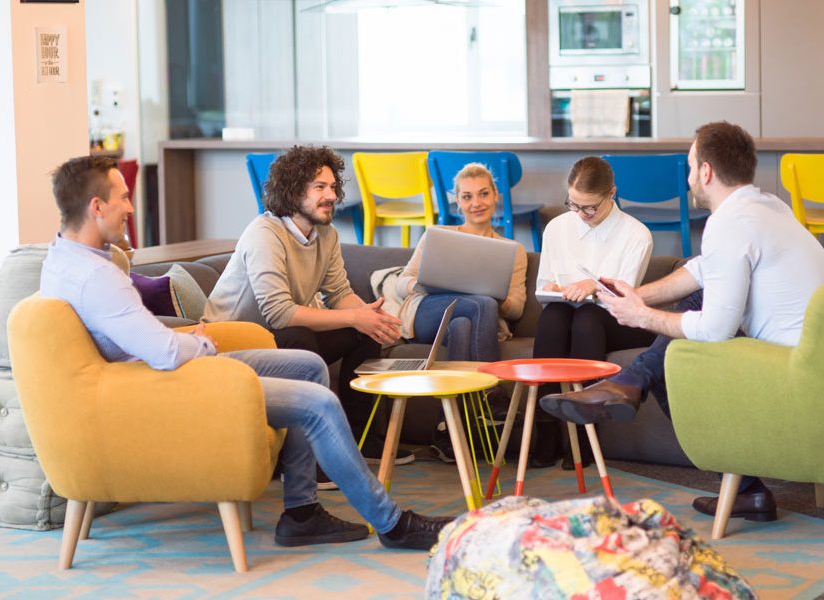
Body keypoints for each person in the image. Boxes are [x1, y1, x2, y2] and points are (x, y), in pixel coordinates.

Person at [39, 155, 450, 550]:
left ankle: (302, 513)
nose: (131, 208)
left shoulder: (72, 260)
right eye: (124, 198)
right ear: (96, 207)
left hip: (168, 368)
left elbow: (139, 337)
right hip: (164, 381)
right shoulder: (98, 277)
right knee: (318, 403)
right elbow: (165, 353)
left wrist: (363, 317)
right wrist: (199, 341)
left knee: (309, 367)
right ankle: (393, 524)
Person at [540, 122, 824, 522]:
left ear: (707, 171)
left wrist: (643, 316)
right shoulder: (768, 208)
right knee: (689, 313)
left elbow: (715, 329)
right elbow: (701, 270)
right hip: (822, 359)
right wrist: (634, 296)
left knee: (672, 363)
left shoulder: (730, 223)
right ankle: (630, 384)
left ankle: (743, 487)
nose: (688, 178)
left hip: (794, 371)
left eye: (690, 166)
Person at [203, 145, 414, 472]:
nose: (331, 195)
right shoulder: (264, 235)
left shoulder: (325, 235)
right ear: (293, 191)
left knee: (363, 332)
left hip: (277, 337)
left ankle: (363, 439)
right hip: (233, 346)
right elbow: (279, 314)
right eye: (320, 187)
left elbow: (339, 292)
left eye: (333, 187)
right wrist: (354, 317)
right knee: (299, 335)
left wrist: (371, 319)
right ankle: (308, 458)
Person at [392, 163, 527, 462]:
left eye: (483, 194)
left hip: (464, 320)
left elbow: (516, 308)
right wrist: (426, 281)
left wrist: (493, 293)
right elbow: (401, 284)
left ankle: (447, 431)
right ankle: (492, 394)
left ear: (495, 195)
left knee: (464, 324)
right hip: (429, 312)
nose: (476, 203)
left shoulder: (512, 250)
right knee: (482, 304)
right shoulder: (437, 236)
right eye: (467, 196)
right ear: (458, 202)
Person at [532, 157, 655, 466]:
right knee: (553, 317)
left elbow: (625, 299)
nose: (582, 214)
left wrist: (594, 286)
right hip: (569, 314)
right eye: (574, 205)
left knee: (587, 319)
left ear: (611, 193)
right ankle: (544, 432)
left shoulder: (636, 234)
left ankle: (586, 435)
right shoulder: (557, 228)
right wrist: (555, 289)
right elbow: (543, 284)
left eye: (590, 208)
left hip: (617, 319)